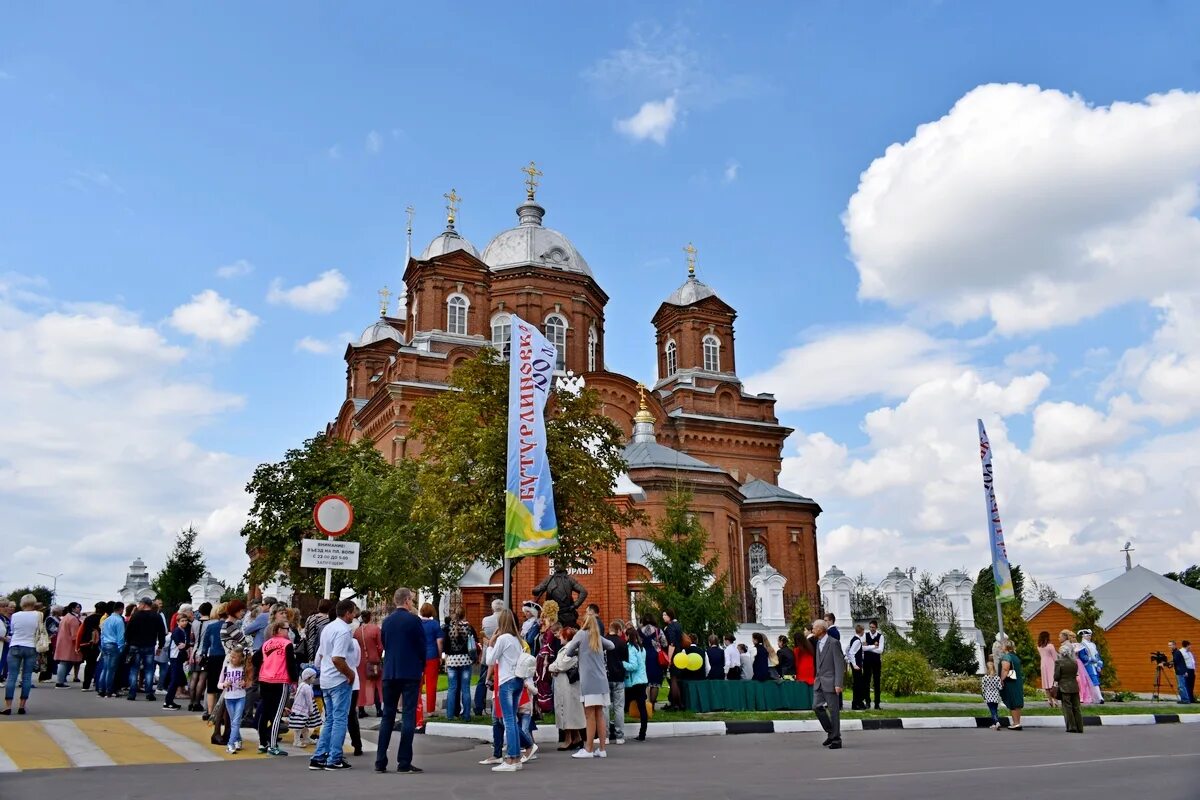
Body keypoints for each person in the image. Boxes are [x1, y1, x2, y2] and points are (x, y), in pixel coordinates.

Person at [374, 588, 427, 775]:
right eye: (412, 600)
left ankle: (380, 761)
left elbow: (385, 644)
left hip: (390, 671)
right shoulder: (414, 620)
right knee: (408, 716)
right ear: (406, 601)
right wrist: (421, 664)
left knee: (387, 716)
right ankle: (404, 761)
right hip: (410, 672)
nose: (412, 603)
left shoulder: (386, 621)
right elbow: (422, 647)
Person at [310, 600, 357, 771]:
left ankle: (319, 756)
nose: (354, 616)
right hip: (339, 680)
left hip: (326, 679)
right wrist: (350, 674)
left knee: (330, 719)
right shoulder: (344, 631)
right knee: (339, 719)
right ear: (348, 613)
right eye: (353, 612)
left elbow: (322, 654)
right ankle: (334, 757)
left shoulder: (328, 628)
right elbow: (338, 658)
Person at [562, 610, 615, 759]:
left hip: (589, 681)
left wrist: (579, 651)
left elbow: (569, 651)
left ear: (584, 623)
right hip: (602, 681)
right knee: (600, 715)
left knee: (589, 715)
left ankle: (589, 749)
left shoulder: (580, 634)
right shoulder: (597, 637)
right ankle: (602, 749)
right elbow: (611, 646)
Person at [484, 609, 528, 772]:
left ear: (501, 623)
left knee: (508, 721)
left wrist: (490, 644)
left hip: (506, 681)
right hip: (517, 680)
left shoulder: (502, 639)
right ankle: (516, 758)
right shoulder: (517, 639)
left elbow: (490, 659)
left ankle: (511, 759)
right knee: (513, 720)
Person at [253, 619, 299, 755]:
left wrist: (266, 666)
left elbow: (255, 659)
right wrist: (294, 680)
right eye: (286, 629)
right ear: (279, 630)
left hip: (265, 679)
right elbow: (291, 665)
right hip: (280, 680)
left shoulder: (266, 643)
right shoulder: (287, 644)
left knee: (265, 712)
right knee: (277, 714)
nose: (288, 631)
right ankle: (273, 746)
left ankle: (262, 743)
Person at [2, 595, 45, 715]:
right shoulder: (38, 615)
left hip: (15, 645)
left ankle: (8, 706)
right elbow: (40, 630)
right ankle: (22, 706)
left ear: (22, 603)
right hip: (31, 647)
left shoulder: (15, 615)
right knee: (26, 677)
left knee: (12, 676)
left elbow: (13, 630)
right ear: (34, 603)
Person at [811, 619, 844, 749]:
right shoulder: (818, 642)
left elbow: (839, 664)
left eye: (814, 628)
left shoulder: (833, 643)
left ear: (821, 629)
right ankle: (831, 732)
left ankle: (836, 739)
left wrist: (838, 683)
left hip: (831, 682)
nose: (812, 630)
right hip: (819, 681)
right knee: (816, 707)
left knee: (834, 711)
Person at [550, 626, 584, 750]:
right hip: (565, 684)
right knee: (569, 711)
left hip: (568, 685)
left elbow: (562, 665)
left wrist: (553, 668)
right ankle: (577, 738)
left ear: (566, 637)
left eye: (561, 635)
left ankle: (569, 739)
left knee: (568, 712)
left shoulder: (571, 649)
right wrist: (554, 667)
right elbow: (556, 664)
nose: (559, 637)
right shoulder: (566, 648)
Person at [126, 597, 166, 701]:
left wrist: (129, 643)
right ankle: (149, 693)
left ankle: (132, 693)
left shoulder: (136, 615)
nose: (139, 606)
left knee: (134, 670)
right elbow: (161, 632)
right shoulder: (156, 616)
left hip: (135, 646)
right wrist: (160, 646)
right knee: (149, 670)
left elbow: (128, 631)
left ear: (144, 604)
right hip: (149, 645)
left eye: (140, 604)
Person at [474, 599, 504, 716]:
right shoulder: (504, 620)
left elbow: (484, 635)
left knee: (483, 681)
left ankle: (478, 707)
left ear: (492, 608)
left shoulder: (486, 620)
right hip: (500, 654)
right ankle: (495, 708)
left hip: (487, 653)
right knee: (499, 681)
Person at [219, 647, 252, 754]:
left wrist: (245, 684)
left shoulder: (244, 668)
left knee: (236, 721)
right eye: (231, 656)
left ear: (241, 658)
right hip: (229, 697)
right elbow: (219, 684)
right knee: (234, 722)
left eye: (234, 657)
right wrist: (224, 684)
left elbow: (249, 683)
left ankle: (230, 744)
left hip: (240, 697)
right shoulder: (226, 668)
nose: (231, 658)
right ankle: (238, 739)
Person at [355, 610, 384, 719]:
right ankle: (378, 710)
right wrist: (378, 655)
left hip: (360, 661)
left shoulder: (357, 632)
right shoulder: (375, 629)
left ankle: (361, 710)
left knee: (362, 685)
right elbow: (380, 647)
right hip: (374, 660)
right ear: (370, 617)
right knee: (376, 684)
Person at [162, 609, 193, 709]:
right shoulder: (177, 631)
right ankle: (168, 702)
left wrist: (186, 645)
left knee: (176, 679)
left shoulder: (183, 630)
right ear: (177, 622)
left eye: (186, 620)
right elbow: (180, 646)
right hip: (175, 657)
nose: (185, 622)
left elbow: (185, 645)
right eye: (182, 621)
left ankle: (169, 700)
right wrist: (189, 645)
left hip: (178, 657)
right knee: (174, 680)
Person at [623, 626, 649, 742]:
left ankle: (616, 730)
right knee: (642, 707)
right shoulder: (642, 648)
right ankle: (642, 733)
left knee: (622, 705)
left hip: (634, 682)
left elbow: (633, 666)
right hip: (642, 679)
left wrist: (622, 663)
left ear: (628, 636)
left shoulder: (631, 648)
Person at [417, 603, 443, 716]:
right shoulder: (435, 624)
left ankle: (417, 707)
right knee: (431, 683)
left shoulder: (416, 623)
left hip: (418, 656)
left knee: (417, 683)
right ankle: (430, 710)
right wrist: (440, 655)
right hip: (432, 655)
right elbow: (439, 641)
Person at [534, 602, 559, 715]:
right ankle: (547, 706)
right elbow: (547, 644)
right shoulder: (551, 624)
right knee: (545, 680)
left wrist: (544, 659)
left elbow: (545, 644)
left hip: (543, 657)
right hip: (546, 657)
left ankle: (545, 705)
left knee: (542, 680)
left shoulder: (545, 625)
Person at [605, 621, 628, 744]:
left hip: (606, 677)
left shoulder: (604, 641)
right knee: (619, 707)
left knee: (606, 707)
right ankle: (619, 736)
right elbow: (625, 659)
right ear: (619, 630)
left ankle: (606, 736)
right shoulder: (622, 642)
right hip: (619, 677)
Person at [97, 602, 125, 698]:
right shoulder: (119, 620)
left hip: (105, 644)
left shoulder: (107, 619)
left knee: (105, 668)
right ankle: (109, 690)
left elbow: (102, 634)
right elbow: (121, 636)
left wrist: (102, 645)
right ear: (121, 609)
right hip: (114, 645)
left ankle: (101, 689)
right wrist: (121, 647)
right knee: (111, 670)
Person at [289, 668, 322, 748]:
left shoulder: (301, 685)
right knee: (299, 726)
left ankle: (306, 738)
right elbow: (309, 700)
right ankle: (296, 741)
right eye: (313, 677)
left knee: (303, 725)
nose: (314, 679)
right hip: (303, 710)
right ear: (308, 677)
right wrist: (311, 710)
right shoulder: (307, 687)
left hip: (298, 708)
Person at [1053, 648, 1083, 733]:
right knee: (1076, 707)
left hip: (1064, 687)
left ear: (1061, 653)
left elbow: (1056, 676)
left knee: (1067, 707)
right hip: (1074, 686)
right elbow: (1075, 673)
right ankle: (1080, 727)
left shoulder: (1059, 662)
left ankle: (1071, 727)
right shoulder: (1074, 662)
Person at [638, 615, 666, 707]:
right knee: (655, 682)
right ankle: (652, 705)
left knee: (645, 681)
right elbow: (664, 643)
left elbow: (637, 643)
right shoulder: (658, 631)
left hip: (643, 657)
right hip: (655, 657)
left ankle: (646, 705)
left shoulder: (639, 631)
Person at [53, 602, 82, 688]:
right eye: (77, 607)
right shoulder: (73, 619)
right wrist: (78, 643)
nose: (79, 609)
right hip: (69, 643)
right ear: (72, 608)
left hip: (62, 642)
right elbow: (75, 634)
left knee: (63, 662)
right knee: (65, 662)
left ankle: (60, 680)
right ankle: (60, 682)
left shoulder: (65, 617)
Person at [79, 602, 105, 692]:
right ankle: (97, 683)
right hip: (98, 644)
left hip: (87, 643)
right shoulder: (103, 619)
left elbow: (82, 631)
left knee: (89, 665)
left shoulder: (88, 618)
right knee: (98, 664)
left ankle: (86, 684)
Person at [998, 640, 1024, 730]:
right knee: (1017, 702)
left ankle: (1015, 723)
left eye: (1002, 645)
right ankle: (1017, 722)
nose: (1001, 647)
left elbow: (1005, 669)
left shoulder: (1006, 657)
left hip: (1010, 682)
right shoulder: (1015, 657)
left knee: (1012, 701)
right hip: (1017, 681)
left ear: (1006, 647)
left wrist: (1001, 680)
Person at [662, 609, 684, 710]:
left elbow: (672, 643)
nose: (663, 617)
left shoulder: (670, 627)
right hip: (679, 654)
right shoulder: (678, 625)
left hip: (673, 654)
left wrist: (669, 659)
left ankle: (675, 704)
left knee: (673, 680)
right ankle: (679, 703)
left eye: (665, 615)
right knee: (676, 679)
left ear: (669, 616)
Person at [303, 599, 333, 665]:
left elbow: (306, 631)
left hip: (308, 647)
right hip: (320, 648)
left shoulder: (310, 618)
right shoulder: (328, 620)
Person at [861, 620, 883, 709]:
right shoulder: (865, 635)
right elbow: (862, 648)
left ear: (876, 627)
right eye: (870, 627)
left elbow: (880, 650)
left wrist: (868, 648)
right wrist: (873, 647)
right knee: (866, 682)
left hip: (876, 662)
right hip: (867, 661)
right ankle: (867, 702)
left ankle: (877, 703)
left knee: (877, 682)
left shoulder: (880, 636)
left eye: (873, 627)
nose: (871, 629)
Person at [1078, 630, 1104, 702]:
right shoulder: (1081, 645)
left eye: (1090, 635)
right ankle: (1099, 698)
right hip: (1087, 665)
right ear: (1084, 636)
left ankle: (1096, 698)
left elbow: (1097, 654)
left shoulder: (1093, 644)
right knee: (1091, 680)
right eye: (1088, 635)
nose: (1090, 636)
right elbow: (1082, 656)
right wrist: (1090, 659)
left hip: (1095, 665)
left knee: (1095, 680)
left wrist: (1099, 664)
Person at [846, 625, 866, 709]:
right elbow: (851, 652)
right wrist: (854, 664)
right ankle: (857, 703)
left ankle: (857, 702)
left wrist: (849, 660)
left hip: (855, 664)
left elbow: (847, 650)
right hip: (857, 665)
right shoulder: (857, 641)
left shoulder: (853, 639)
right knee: (858, 684)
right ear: (861, 631)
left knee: (858, 684)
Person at [1037, 630, 1059, 708]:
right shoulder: (1050, 646)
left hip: (1043, 664)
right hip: (1051, 664)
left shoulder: (1039, 647)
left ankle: (1049, 700)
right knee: (1053, 683)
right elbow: (1055, 658)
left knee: (1046, 683)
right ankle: (1055, 701)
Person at [981, 660, 1003, 730]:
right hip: (996, 696)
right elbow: (1000, 687)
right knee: (995, 710)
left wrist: (983, 696)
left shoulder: (984, 678)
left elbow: (983, 688)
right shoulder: (997, 677)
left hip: (988, 696)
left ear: (987, 668)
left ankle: (997, 722)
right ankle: (994, 724)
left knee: (992, 710)